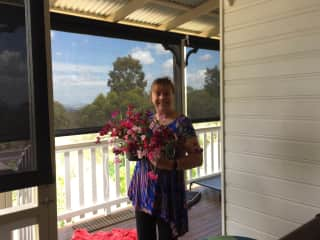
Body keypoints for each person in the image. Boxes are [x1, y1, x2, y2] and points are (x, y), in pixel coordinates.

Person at [128, 77, 203, 240]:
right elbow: (139, 150)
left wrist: (171, 164)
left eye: (166, 93)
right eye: (158, 93)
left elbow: (197, 159)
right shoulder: (146, 121)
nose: (162, 97)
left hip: (169, 194)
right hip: (143, 189)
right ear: (151, 97)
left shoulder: (183, 123)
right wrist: (131, 149)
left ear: (173, 95)